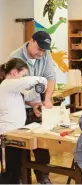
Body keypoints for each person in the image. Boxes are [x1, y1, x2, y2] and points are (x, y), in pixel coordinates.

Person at [8, 31, 56, 184]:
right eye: (39, 49)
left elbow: (51, 77)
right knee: (17, 149)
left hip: (37, 105)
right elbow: (14, 88)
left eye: (44, 50)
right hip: (18, 108)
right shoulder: (15, 57)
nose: (41, 53)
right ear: (31, 40)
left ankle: (44, 178)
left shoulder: (45, 55)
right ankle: (18, 179)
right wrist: (32, 103)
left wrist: (46, 100)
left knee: (41, 145)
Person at [0, 58, 47, 184]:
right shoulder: (7, 84)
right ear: (14, 72)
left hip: (15, 135)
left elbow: (28, 94)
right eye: (23, 75)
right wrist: (43, 81)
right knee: (11, 172)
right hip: (7, 136)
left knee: (16, 170)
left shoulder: (13, 88)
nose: (24, 78)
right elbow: (32, 81)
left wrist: (35, 103)